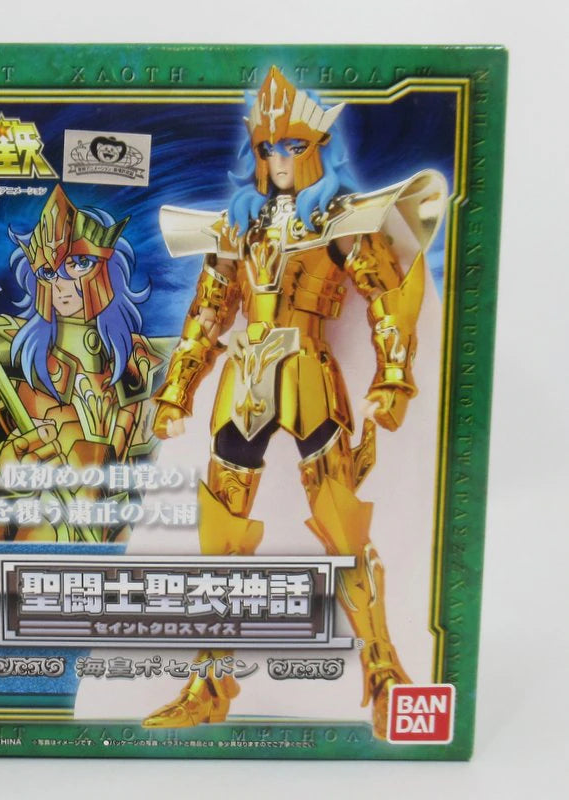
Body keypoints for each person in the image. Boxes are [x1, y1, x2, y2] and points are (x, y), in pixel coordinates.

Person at [143, 66, 447, 738]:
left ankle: (382, 665)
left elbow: (386, 293)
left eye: (293, 147)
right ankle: (208, 683)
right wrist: (176, 390)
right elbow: (207, 313)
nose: (280, 160)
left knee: (343, 526)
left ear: (316, 149)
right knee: (220, 538)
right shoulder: (238, 227)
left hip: (310, 375)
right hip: (245, 380)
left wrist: (393, 375)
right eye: (268, 148)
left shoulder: (340, 219)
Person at [0, 185, 175, 541]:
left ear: (108, 267)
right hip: (25, 558)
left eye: (78, 263)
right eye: (49, 271)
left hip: (109, 562)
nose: (62, 283)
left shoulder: (147, 366)